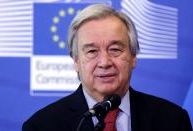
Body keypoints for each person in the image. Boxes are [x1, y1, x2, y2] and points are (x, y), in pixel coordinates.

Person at [22, 4, 192, 131]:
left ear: (133, 57)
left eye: (115, 49)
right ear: (75, 61)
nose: (104, 62)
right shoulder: (41, 126)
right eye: (92, 51)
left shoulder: (173, 121)